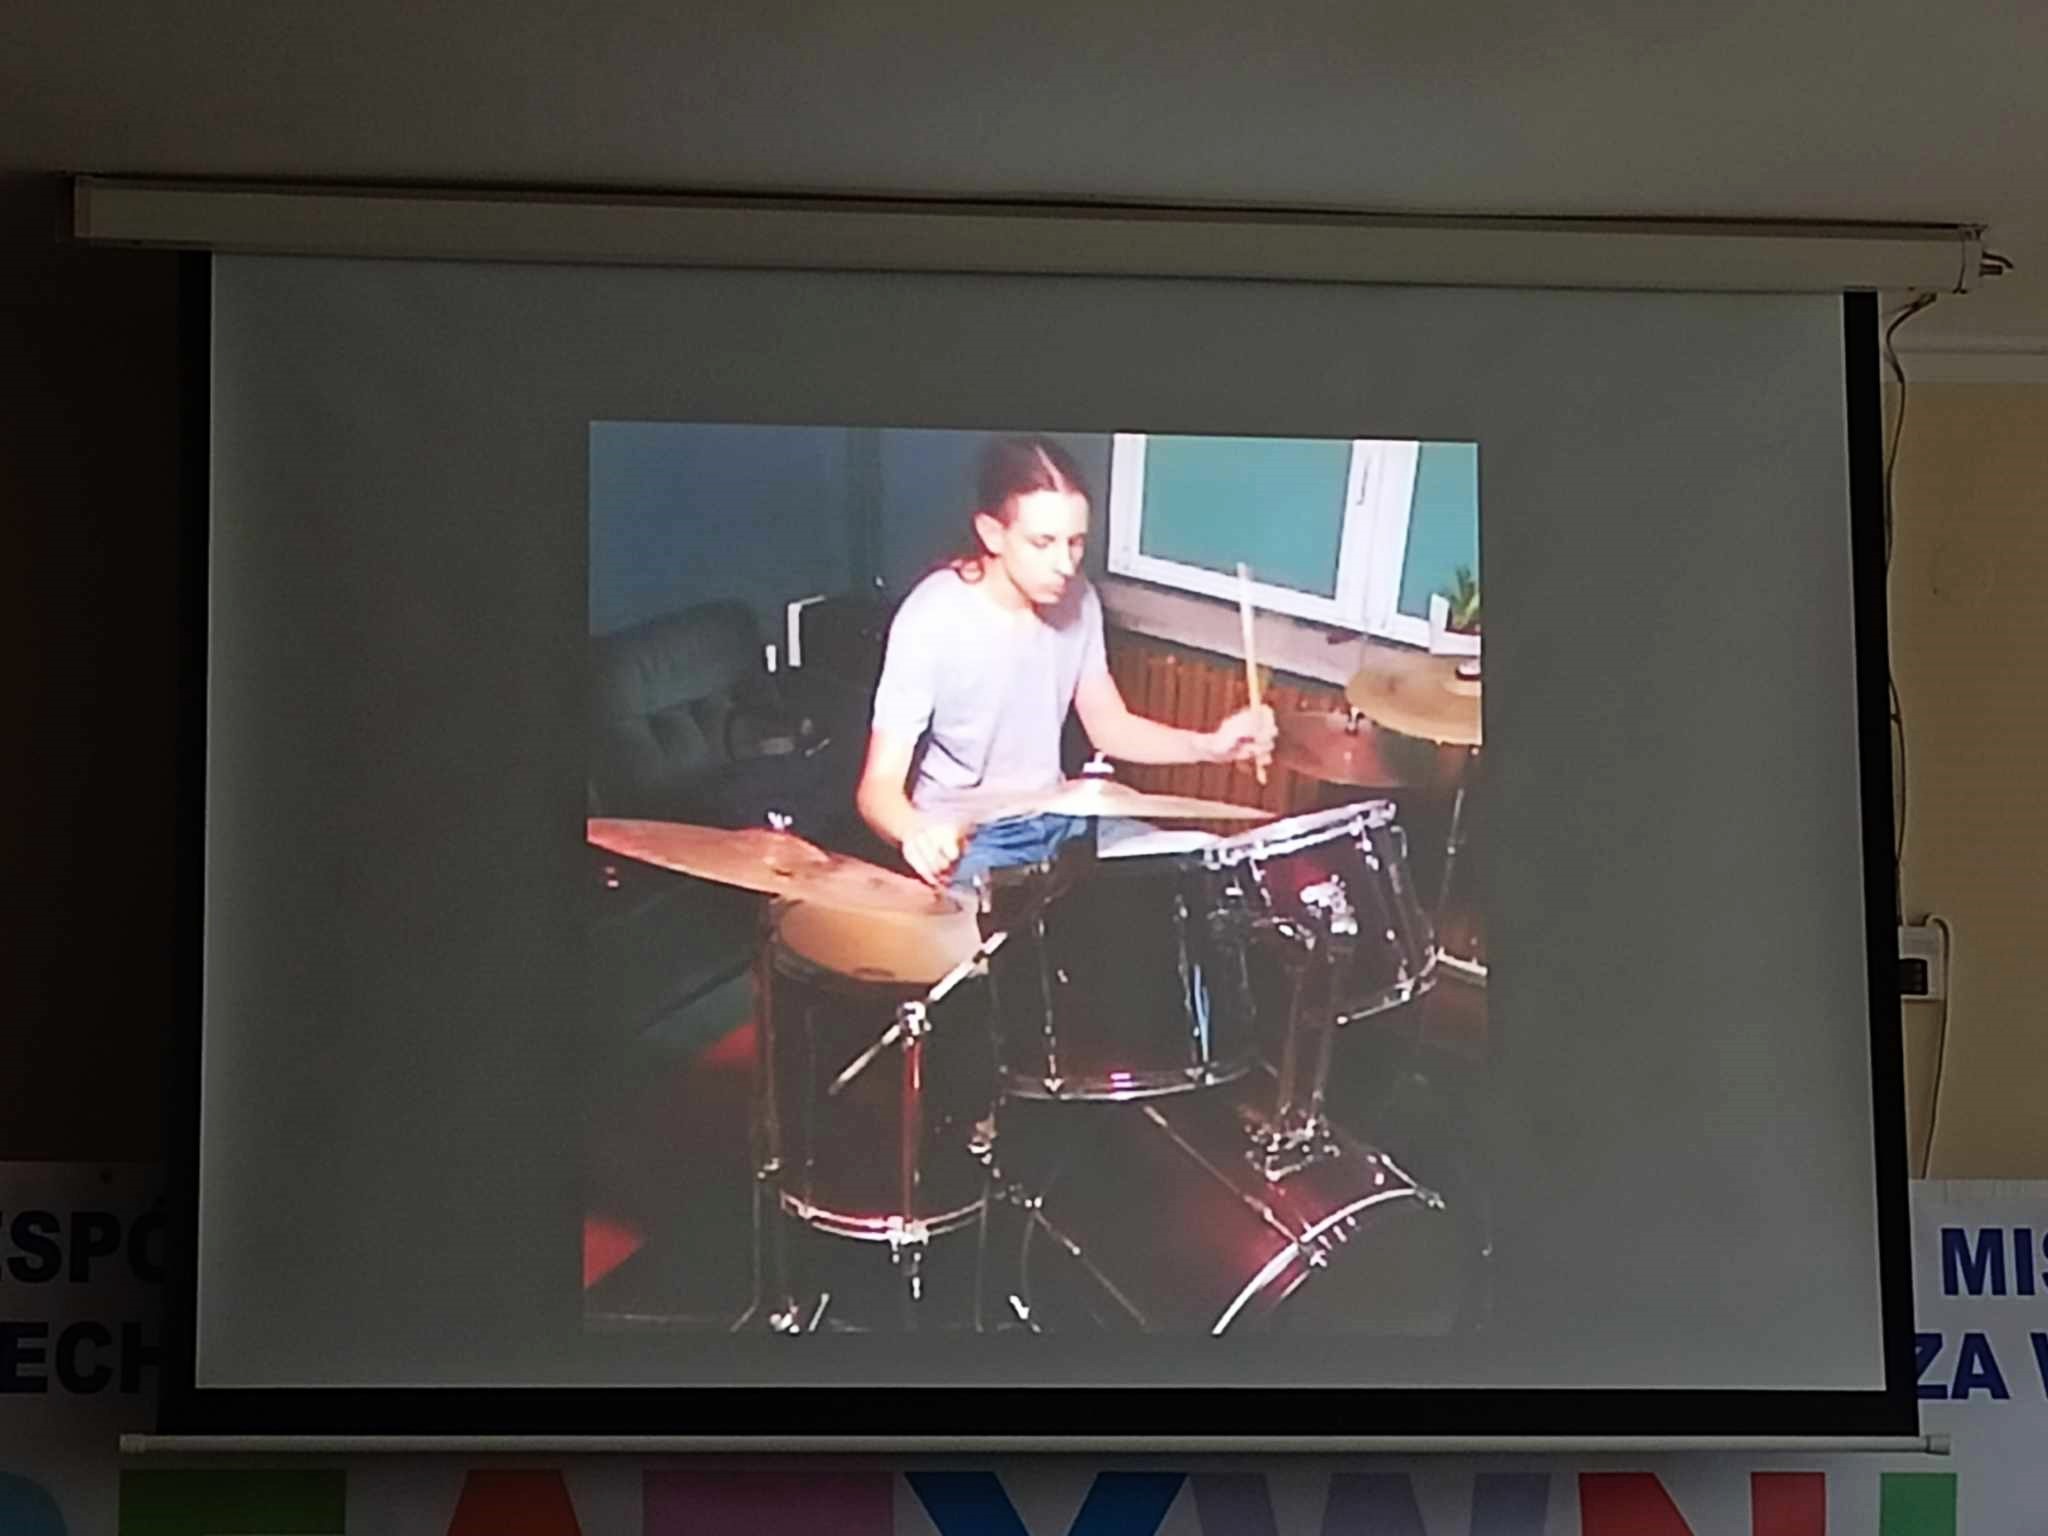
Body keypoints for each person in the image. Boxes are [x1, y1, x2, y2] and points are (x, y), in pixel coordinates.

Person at [856, 436, 1276, 889]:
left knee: (1203, 873)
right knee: (1012, 930)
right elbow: (877, 788)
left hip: (1062, 817)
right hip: (971, 838)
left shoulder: (1077, 598)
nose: (1065, 564)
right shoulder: (933, 616)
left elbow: (1109, 726)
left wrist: (1208, 747)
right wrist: (918, 835)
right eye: (1043, 542)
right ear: (992, 534)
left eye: (1075, 542)